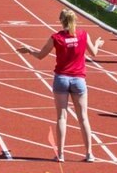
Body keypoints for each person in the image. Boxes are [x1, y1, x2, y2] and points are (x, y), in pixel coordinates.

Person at [16, 9, 103, 163]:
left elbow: (41, 55)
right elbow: (94, 53)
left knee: (61, 117)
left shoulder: (56, 37)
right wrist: (97, 44)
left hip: (61, 78)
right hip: (78, 80)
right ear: (75, 20)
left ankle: (61, 154)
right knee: (83, 117)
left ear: (61, 21)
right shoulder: (83, 35)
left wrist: (29, 51)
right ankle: (89, 153)